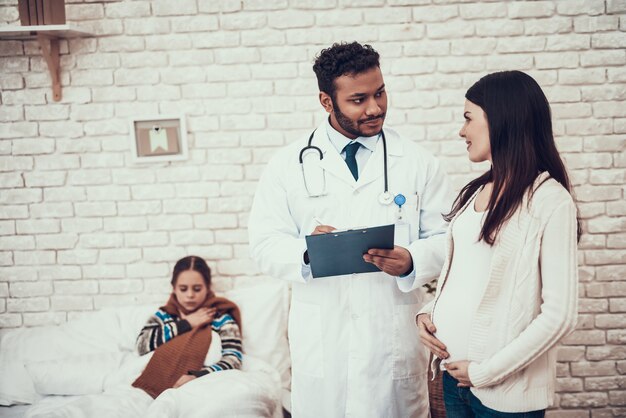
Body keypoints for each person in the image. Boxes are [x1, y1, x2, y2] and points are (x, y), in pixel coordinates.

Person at [248, 41, 451, 417]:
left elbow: (447, 242)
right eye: (358, 99)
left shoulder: (419, 163)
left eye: (380, 93)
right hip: (324, 339)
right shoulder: (286, 165)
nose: (375, 108)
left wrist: (410, 260)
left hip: (390, 338)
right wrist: (308, 251)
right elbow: (263, 244)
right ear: (327, 101)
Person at [416, 71, 579, 417]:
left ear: (502, 120)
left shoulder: (549, 201)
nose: (461, 130)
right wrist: (428, 313)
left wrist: (484, 372)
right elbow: (463, 277)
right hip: (450, 378)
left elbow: (560, 316)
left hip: (502, 394)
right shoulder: (476, 192)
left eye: (468, 118)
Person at [133, 255, 242, 399]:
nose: (190, 295)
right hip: (155, 391)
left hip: (205, 387)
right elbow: (141, 346)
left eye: (197, 289)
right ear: (174, 288)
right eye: (183, 289)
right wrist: (187, 323)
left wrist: (198, 376)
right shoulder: (165, 315)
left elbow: (233, 358)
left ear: (208, 287)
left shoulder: (220, 318)